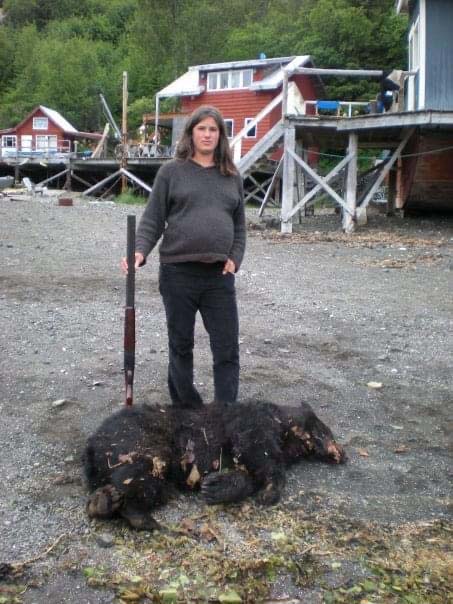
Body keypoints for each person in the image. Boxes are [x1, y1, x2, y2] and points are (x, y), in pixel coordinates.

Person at [121, 105, 246, 408]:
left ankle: (225, 413)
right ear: (191, 133)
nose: (207, 134)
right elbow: (153, 219)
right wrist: (139, 251)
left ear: (220, 136)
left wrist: (235, 258)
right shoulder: (171, 172)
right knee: (181, 345)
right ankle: (187, 409)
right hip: (178, 274)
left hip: (219, 277)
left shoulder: (231, 176)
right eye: (201, 128)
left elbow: (240, 226)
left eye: (213, 129)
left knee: (227, 348)